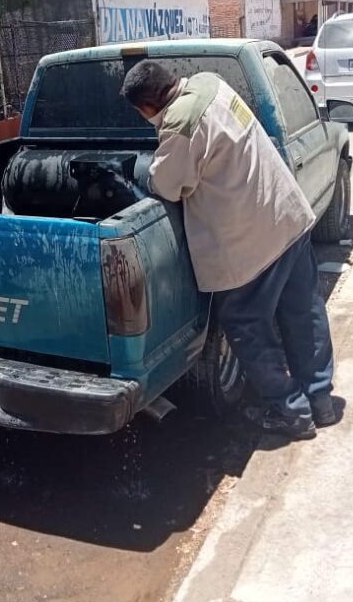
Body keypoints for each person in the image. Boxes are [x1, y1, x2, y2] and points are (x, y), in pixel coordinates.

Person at [121, 60, 336, 440]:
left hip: (249, 244)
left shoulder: (179, 123)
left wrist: (149, 166)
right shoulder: (210, 83)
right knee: (304, 312)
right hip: (286, 215)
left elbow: (167, 185)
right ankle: (321, 401)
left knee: (247, 326)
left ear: (146, 108)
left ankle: (293, 412)